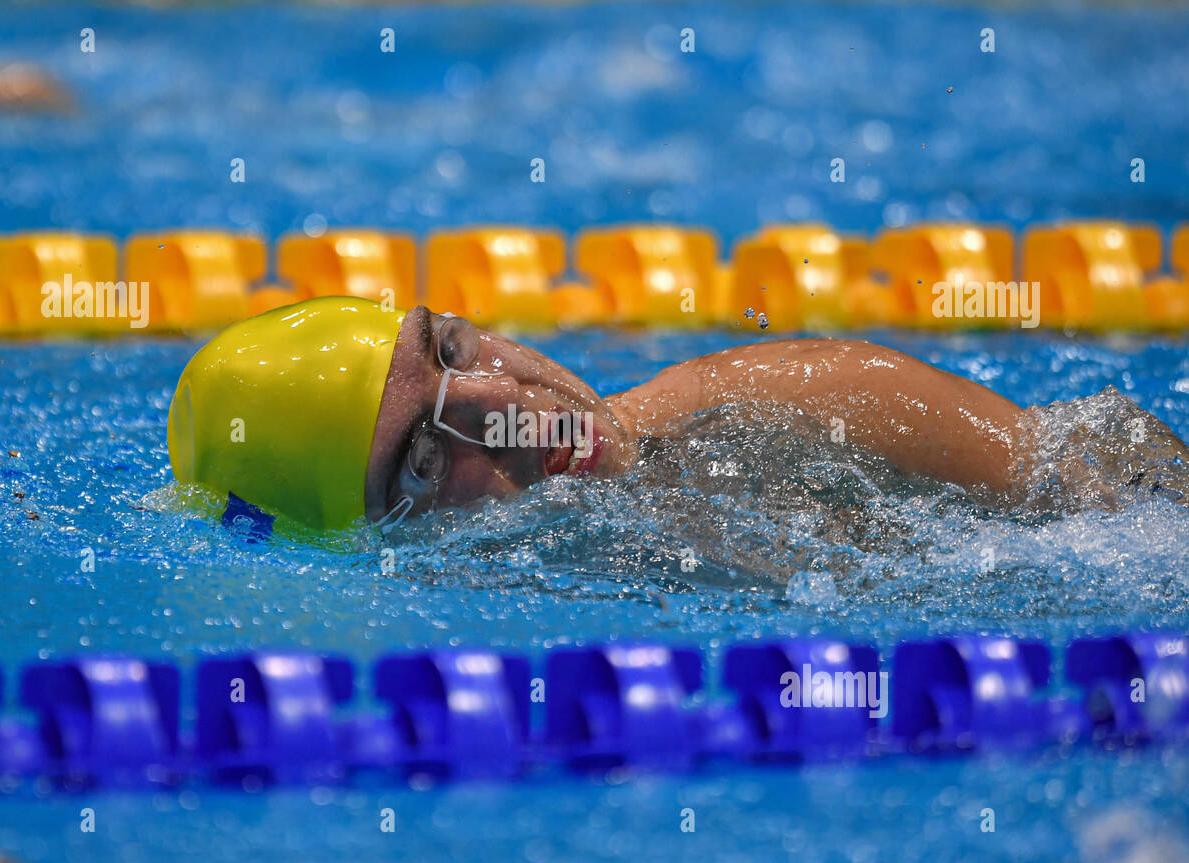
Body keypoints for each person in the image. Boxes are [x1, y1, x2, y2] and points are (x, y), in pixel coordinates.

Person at [167, 296, 1186, 537]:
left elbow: (1109, 487)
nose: (504, 407)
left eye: (449, 350)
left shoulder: (800, 403)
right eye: (424, 461)